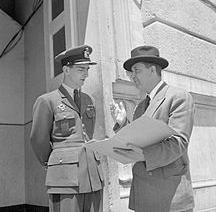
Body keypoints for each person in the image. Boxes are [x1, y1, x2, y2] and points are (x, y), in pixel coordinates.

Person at [111, 45, 195, 212]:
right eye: (131, 72)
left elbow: (177, 143)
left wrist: (141, 154)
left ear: (152, 70)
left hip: (168, 195)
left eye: (136, 70)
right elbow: (136, 140)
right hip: (144, 193)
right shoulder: (140, 107)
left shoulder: (178, 97)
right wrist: (122, 124)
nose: (132, 76)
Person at [30, 45, 103, 212]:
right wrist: (55, 162)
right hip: (65, 179)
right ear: (66, 70)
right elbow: (38, 140)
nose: (86, 74)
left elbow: (88, 136)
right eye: (80, 69)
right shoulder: (47, 101)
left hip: (92, 176)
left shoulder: (88, 99)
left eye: (87, 69)